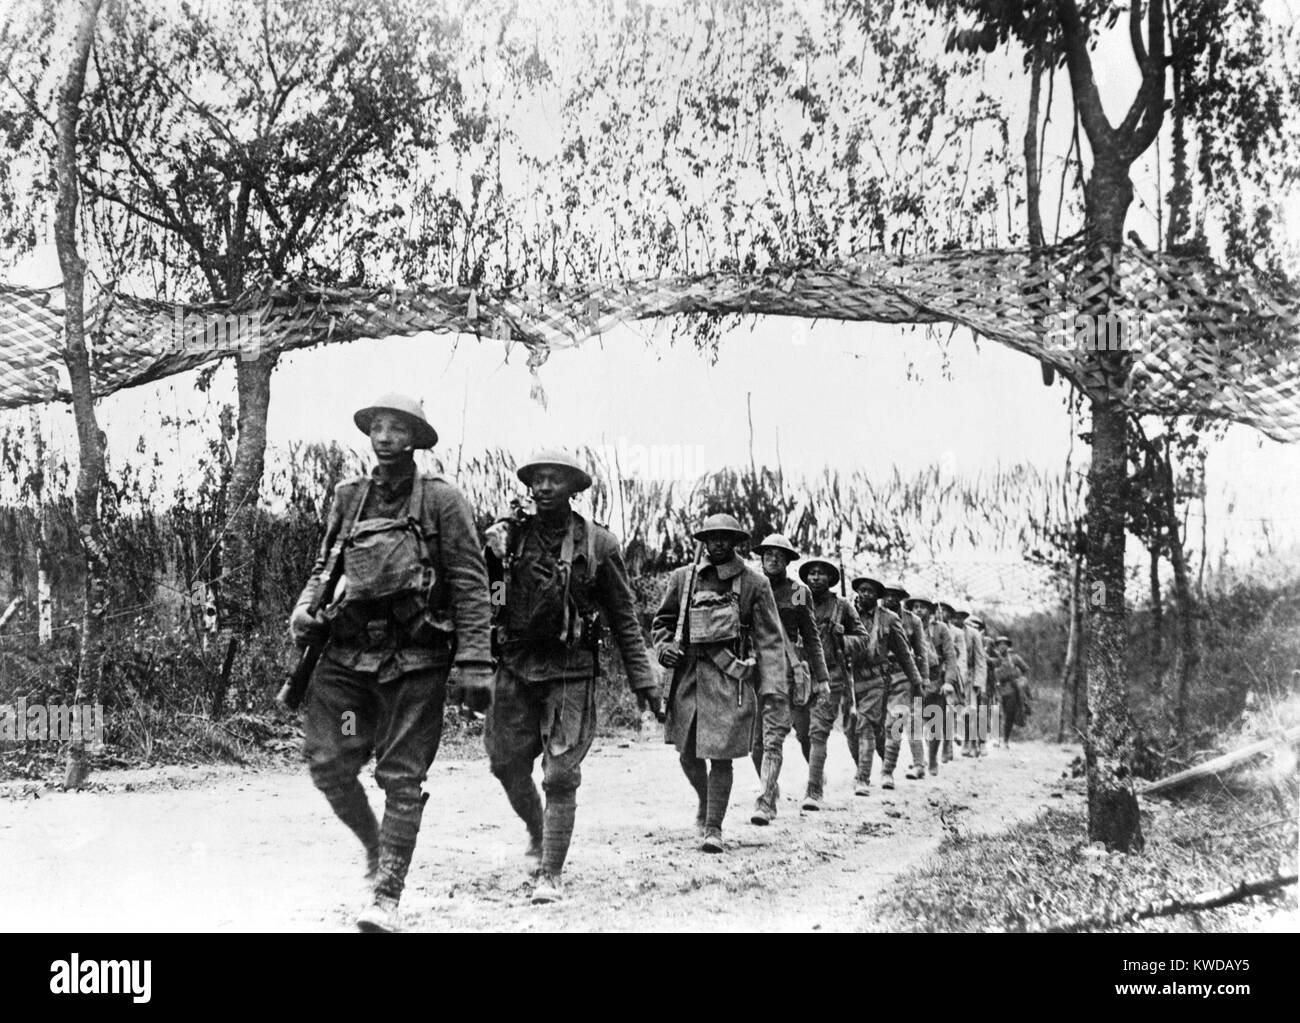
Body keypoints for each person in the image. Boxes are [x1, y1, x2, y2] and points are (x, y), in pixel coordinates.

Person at [289, 393, 494, 932]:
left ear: (415, 438)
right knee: (329, 762)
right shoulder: (348, 497)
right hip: (347, 652)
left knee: (401, 776)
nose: (384, 437)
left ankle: (386, 897)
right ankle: (377, 848)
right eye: (377, 427)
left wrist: (475, 660)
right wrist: (304, 608)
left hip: (417, 657)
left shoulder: (444, 501)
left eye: (396, 428)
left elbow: (471, 582)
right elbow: (325, 563)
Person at [483, 449, 662, 904]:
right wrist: (494, 562)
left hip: (570, 668)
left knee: (561, 771)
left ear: (572, 489)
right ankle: (538, 830)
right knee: (504, 761)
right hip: (516, 664)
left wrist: (644, 680)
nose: (544, 488)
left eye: (554, 480)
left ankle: (550, 874)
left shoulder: (598, 545)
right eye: (537, 480)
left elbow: (624, 616)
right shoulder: (511, 537)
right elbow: (493, 595)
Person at [652, 514, 785, 852]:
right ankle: (704, 799)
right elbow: (663, 622)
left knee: (720, 758)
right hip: (688, 678)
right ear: (704, 540)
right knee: (687, 754)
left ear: (737, 541)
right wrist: (665, 646)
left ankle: (714, 827)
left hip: (730, 681)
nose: (719, 543)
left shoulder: (755, 584)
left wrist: (772, 688)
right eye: (713, 537)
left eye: (726, 537)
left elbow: (770, 640)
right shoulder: (683, 579)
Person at [750, 533, 831, 825]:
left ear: (787, 560)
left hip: (783, 668)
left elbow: (810, 636)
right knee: (754, 742)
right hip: (751, 668)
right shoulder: (749, 585)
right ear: (762, 557)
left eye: (779, 554)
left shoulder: (797, 591)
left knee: (773, 737)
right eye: (768, 553)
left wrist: (821, 678)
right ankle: (769, 785)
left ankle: (766, 802)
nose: (773, 558)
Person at [796, 557, 867, 809]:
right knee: (802, 731)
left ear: (830, 579)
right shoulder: (798, 597)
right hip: (801, 674)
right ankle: (817, 773)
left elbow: (863, 638)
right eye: (812, 573)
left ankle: (813, 790)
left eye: (821, 574)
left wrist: (842, 639)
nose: (815, 577)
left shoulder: (842, 606)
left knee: (818, 731)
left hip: (833, 675)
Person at [849, 576, 922, 796]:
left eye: (871, 591)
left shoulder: (889, 619)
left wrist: (917, 680)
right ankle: (863, 774)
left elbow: (904, 652)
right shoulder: (848, 614)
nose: (865, 595)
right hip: (857, 680)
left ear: (877, 595)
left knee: (893, 723)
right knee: (861, 727)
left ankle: (883, 772)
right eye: (862, 590)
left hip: (889, 678)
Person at [938, 602, 968, 764]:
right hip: (934, 674)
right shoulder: (930, 628)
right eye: (938, 610)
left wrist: (959, 677)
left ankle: (947, 747)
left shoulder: (957, 633)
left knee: (949, 710)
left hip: (950, 675)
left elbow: (961, 657)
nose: (941, 613)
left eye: (945, 611)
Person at [993, 635, 1032, 747]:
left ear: (1008, 646)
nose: (1002, 646)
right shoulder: (994, 658)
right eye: (999, 644)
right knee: (995, 713)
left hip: (1010, 689)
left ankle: (1005, 739)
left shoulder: (1014, 658)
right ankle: (996, 739)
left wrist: (1020, 679)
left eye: (1004, 643)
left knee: (1009, 715)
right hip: (997, 688)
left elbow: (1025, 669)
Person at [963, 614, 989, 756]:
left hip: (983, 679)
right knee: (968, 711)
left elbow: (983, 662)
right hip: (968, 677)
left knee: (982, 710)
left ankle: (982, 742)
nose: (974, 628)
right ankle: (969, 740)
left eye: (977, 626)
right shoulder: (964, 636)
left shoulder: (988, 643)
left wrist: (981, 683)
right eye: (971, 625)